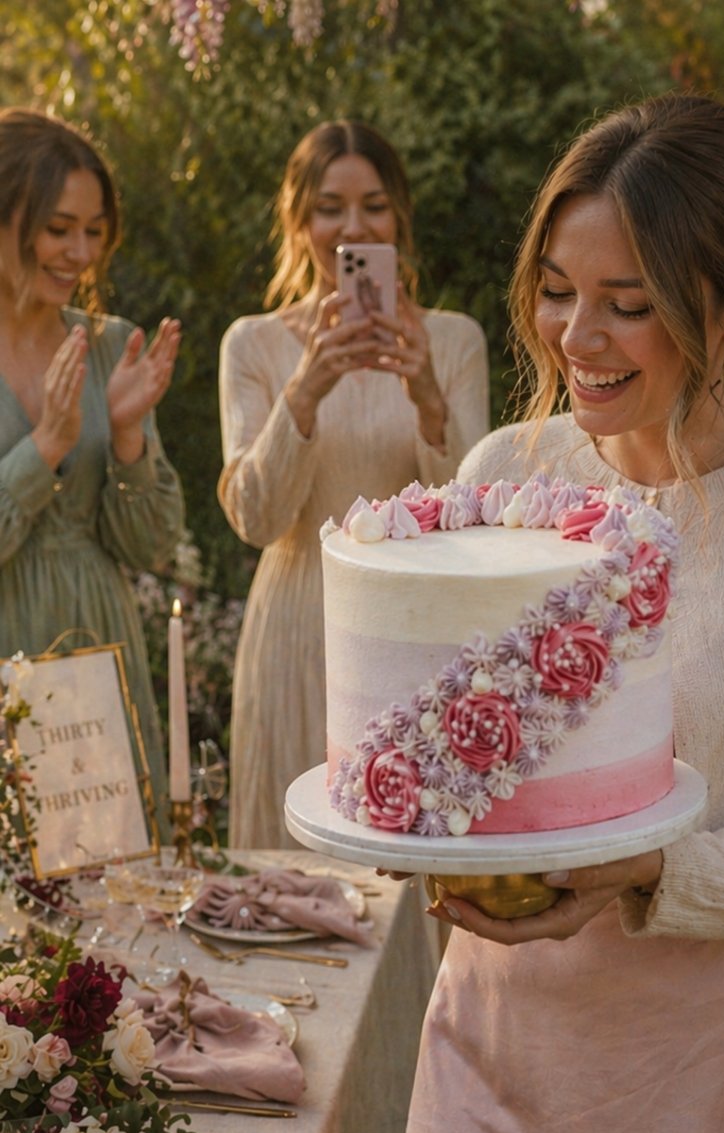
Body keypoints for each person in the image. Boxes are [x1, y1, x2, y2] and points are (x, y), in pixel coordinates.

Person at [398, 92, 724, 1133]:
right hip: (493, 1034)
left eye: (627, 304)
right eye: (558, 290)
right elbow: (452, 741)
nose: (574, 337)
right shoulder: (498, 480)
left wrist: (648, 870)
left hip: (709, 1061)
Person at [218, 120, 490, 850]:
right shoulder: (254, 343)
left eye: (372, 205)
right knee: (296, 868)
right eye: (329, 208)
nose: (351, 227)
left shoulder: (455, 339)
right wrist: (305, 389)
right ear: (298, 221)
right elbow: (253, 517)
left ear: (398, 214)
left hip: (414, 630)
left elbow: (479, 522)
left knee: (409, 858)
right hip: (296, 620)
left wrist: (427, 392)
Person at [0, 108, 185, 839]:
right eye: (57, 227)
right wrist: (44, 446)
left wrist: (130, 436)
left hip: (96, 654)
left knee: (110, 909)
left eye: (95, 230)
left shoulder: (109, 347)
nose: (79, 251)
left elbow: (152, 545)